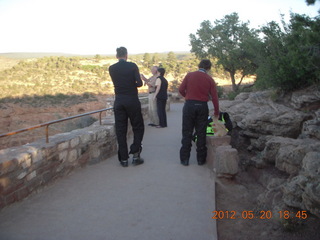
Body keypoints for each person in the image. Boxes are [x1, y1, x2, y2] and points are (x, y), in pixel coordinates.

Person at [178, 59, 219, 166]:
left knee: (187, 131)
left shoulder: (189, 75)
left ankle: (184, 159)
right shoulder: (209, 79)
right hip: (202, 106)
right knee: (201, 132)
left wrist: (187, 96)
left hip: (189, 105)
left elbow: (181, 89)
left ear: (199, 66)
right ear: (209, 68)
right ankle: (201, 159)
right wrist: (216, 111)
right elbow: (214, 97)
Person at [108, 47, 145, 167]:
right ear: (126, 55)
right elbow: (139, 83)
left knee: (120, 130)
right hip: (132, 100)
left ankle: (123, 159)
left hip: (119, 101)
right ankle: (135, 154)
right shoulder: (132, 66)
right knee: (138, 127)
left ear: (117, 56)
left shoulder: (112, 68)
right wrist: (131, 84)